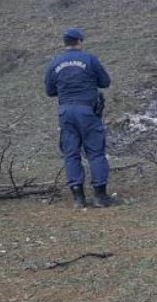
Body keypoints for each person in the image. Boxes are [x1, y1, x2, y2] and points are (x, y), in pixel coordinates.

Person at [44, 27, 114, 208]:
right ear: (80, 42)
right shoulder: (89, 59)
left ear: (65, 43)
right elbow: (105, 82)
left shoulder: (54, 62)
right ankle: (100, 196)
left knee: (71, 153)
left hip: (66, 112)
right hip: (87, 111)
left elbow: (50, 91)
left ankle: (78, 198)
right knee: (96, 152)